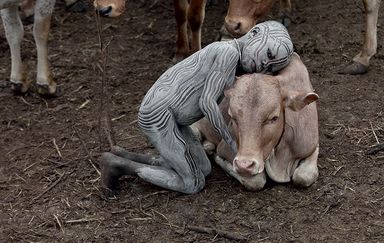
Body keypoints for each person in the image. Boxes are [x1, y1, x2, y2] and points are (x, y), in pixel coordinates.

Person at [100, 21, 294, 195]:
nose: (263, 66)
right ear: (254, 34)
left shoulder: (235, 61)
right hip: (159, 116)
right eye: (268, 54)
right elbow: (207, 103)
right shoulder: (228, 52)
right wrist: (230, 141)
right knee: (192, 183)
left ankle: (125, 155)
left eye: (270, 67)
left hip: (177, 119)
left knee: (204, 168)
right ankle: (117, 165)